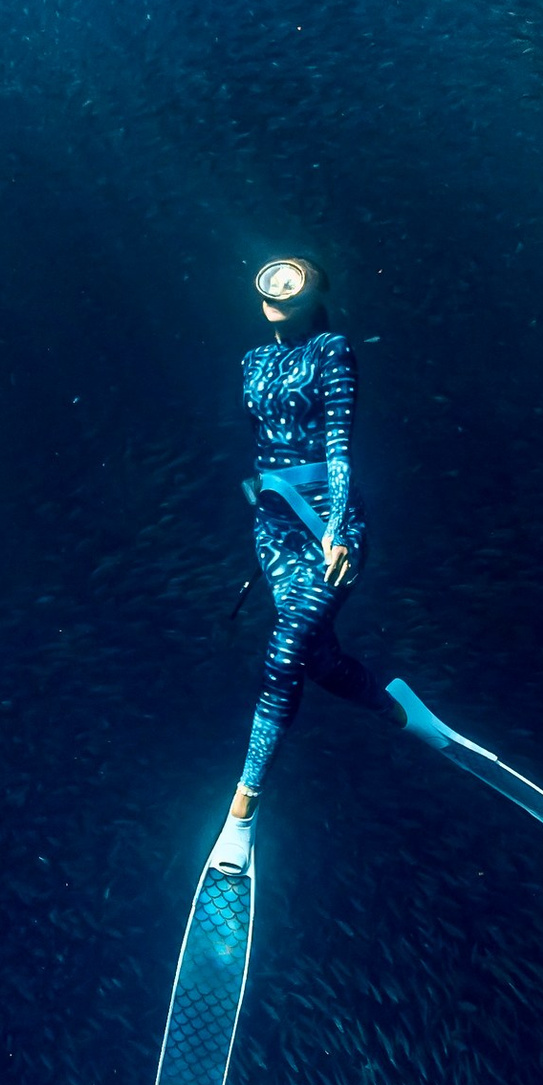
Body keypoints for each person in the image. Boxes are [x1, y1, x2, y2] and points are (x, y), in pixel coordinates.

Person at [207, 254, 466, 873]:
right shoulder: (251, 360)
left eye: (293, 279)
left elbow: (339, 444)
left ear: (314, 292)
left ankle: (242, 810)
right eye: (273, 279)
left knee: (283, 651)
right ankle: (399, 711)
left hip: (328, 526)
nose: (278, 287)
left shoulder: (333, 349)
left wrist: (339, 528)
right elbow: (259, 443)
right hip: (272, 529)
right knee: (314, 657)